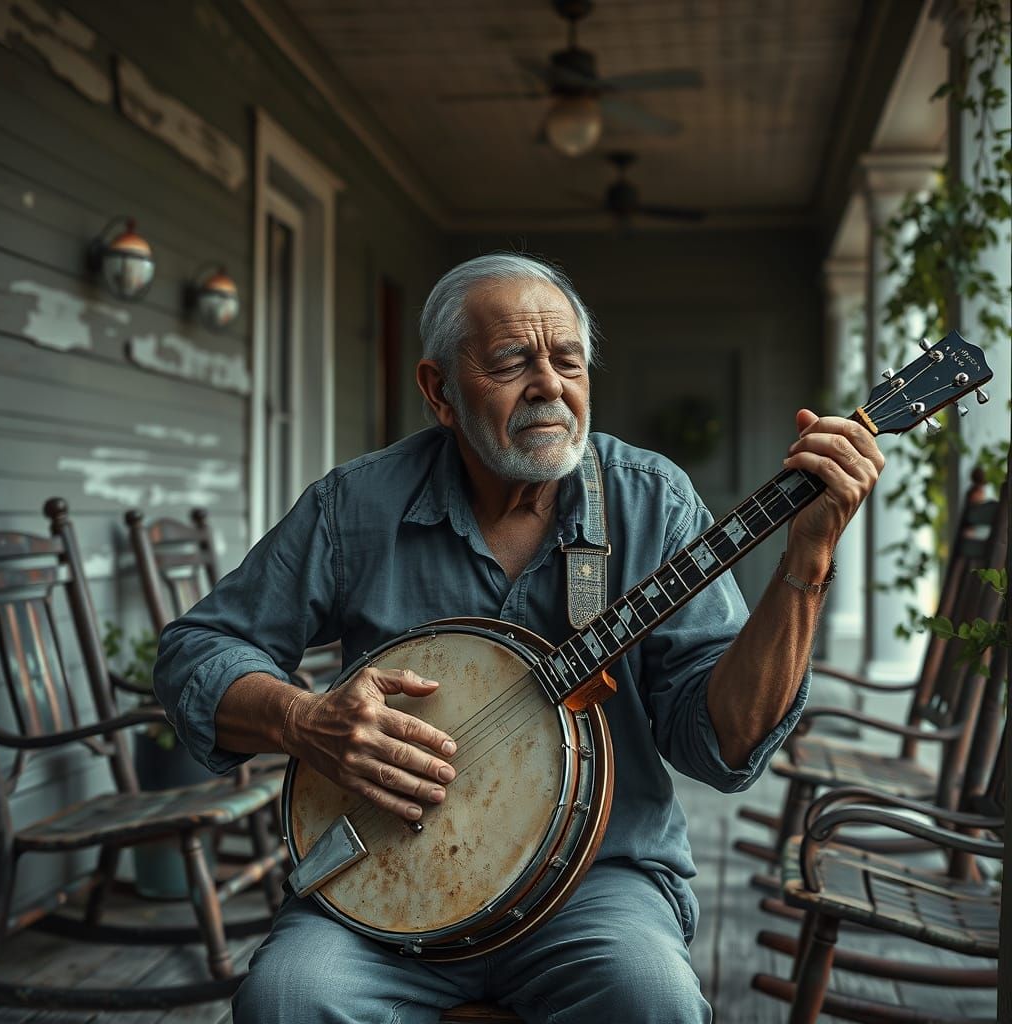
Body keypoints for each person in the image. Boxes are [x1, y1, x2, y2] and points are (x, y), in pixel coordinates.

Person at [154, 252, 883, 1023]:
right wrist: (306, 720)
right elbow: (197, 650)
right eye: (512, 362)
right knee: (288, 999)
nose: (550, 385)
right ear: (440, 391)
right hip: (384, 882)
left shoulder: (651, 501)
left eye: (569, 360)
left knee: (652, 1003)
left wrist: (808, 556)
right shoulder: (355, 508)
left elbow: (725, 743)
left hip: (597, 881)